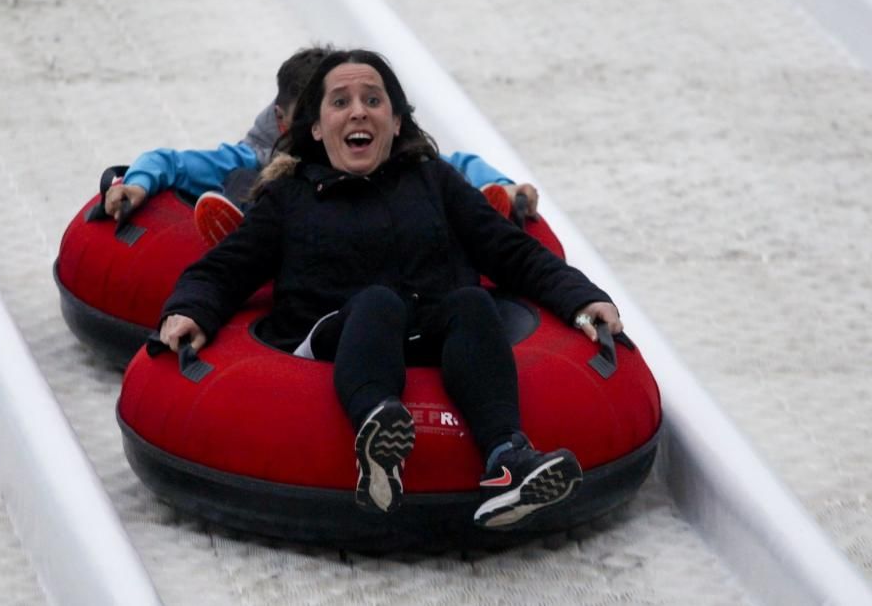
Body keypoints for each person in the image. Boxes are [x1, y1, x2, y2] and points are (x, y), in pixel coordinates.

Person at [157, 49, 622, 530]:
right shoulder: (290, 195)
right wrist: (190, 310)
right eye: (340, 102)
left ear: (395, 121)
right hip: (331, 339)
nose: (358, 110)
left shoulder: (433, 181)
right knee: (378, 302)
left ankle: (509, 461)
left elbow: (512, 251)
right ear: (316, 127)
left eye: (373, 100)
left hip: (426, 335)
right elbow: (225, 268)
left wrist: (582, 299)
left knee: (471, 302)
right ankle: (377, 437)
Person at [102, 46, 540, 246]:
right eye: (307, 120)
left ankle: (480, 215)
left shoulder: (373, 145)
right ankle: (242, 231)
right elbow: (172, 163)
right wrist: (137, 185)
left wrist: (503, 185)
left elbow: (451, 163)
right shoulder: (258, 156)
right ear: (283, 121)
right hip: (288, 239)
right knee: (250, 183)